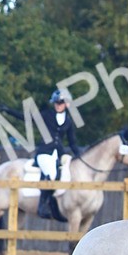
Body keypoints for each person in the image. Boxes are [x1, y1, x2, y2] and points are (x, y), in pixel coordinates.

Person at [35, 89, 82, 219]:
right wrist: (9, 111)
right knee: (52, 175)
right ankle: (42, 206)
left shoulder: (68, 121)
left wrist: (80, 156)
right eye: (56, 102)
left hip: (58, 154)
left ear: (67, 104)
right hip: (44, 152)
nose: (58, 104)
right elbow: (27, 118)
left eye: (60, 102)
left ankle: (61, 205)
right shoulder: (46, 115)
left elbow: (72, 142)